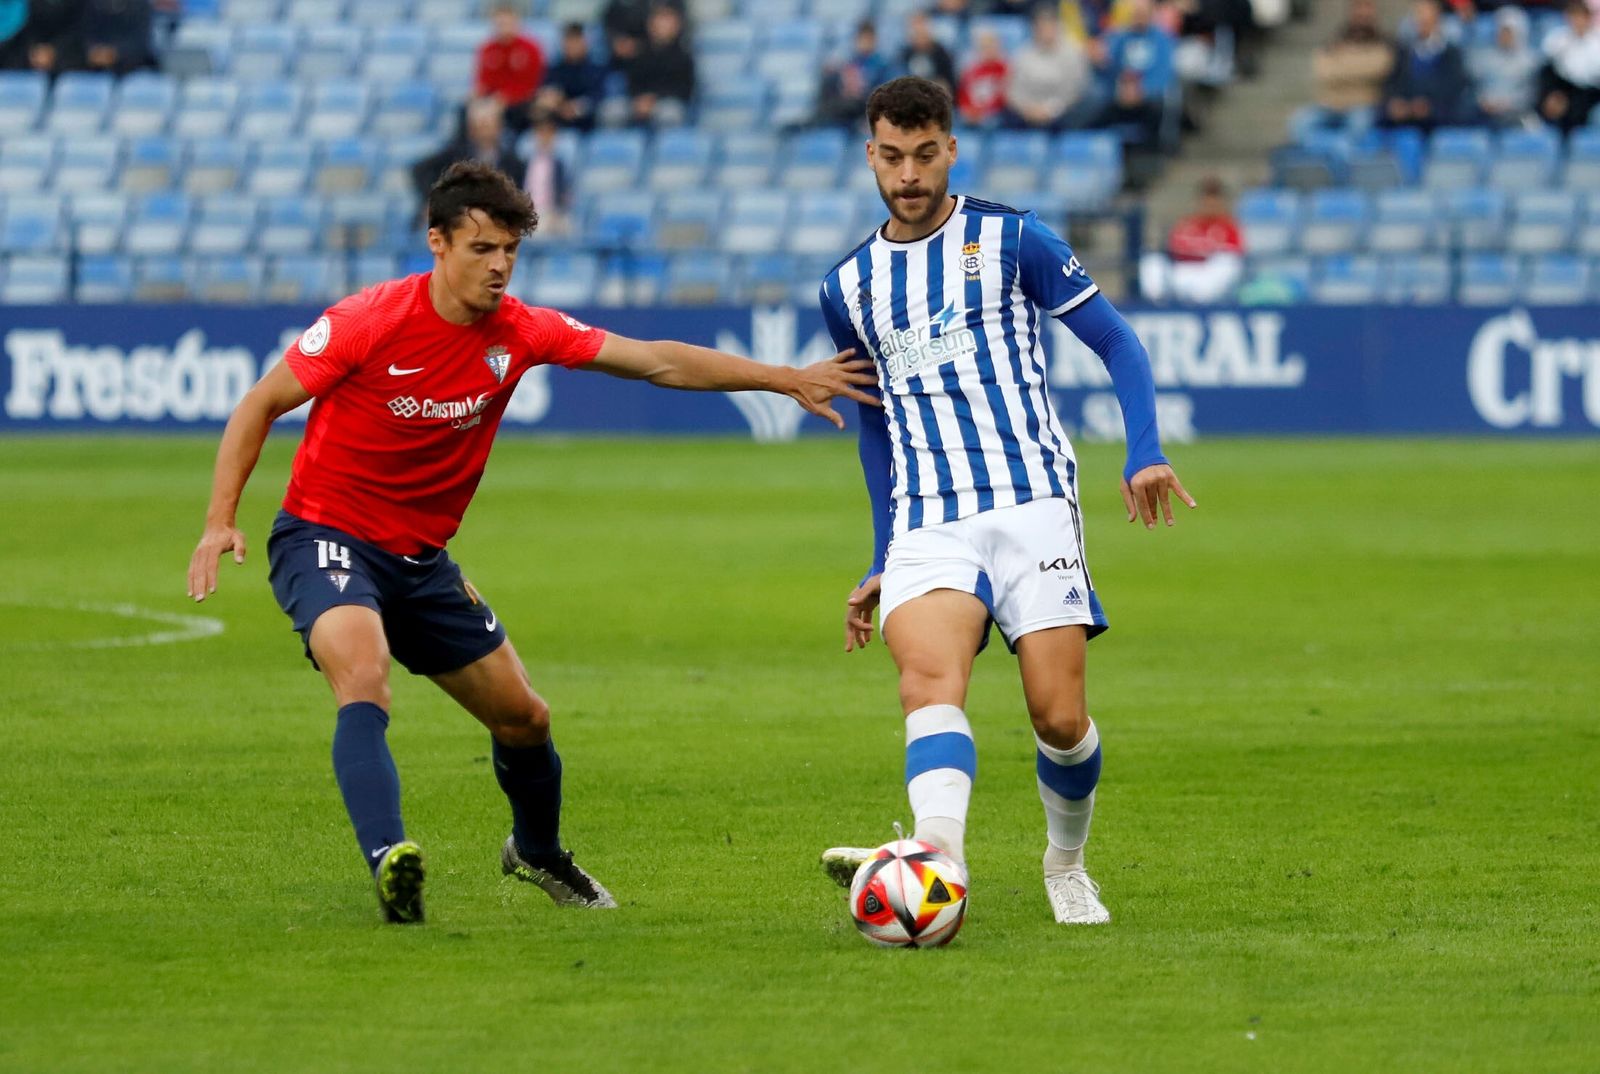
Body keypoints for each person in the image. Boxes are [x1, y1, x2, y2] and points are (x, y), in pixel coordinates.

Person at [186, 161, 877, 925]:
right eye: (483, 248)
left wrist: (782, 378)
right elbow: (259, 403)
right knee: (364, 672)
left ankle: (538, 853)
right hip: (328, 534)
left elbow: (655, 360)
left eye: (510, 250)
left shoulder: (521, 330)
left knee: (526, 720)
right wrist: (221, 519)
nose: (500, 265)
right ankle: (391, 861)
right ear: (437, 243)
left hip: (420, 560)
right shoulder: (368, 320)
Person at [814, 77, 1194, 926]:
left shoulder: (1013, 238)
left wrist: (1144, 452)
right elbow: (872, 427)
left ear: (950, 149)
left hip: (1032, 503)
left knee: (1059, 719)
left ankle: (1065, 863)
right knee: (928, 683)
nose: (908, 174)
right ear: (870, 156)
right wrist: (882, 551)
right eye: (891, 157)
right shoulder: (848, 287)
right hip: (929, 518)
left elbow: (1117, 341)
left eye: (924, 155)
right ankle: (936, 864)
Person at [1291, 0, 1394, 142]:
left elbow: (1380, 67)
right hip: (1329, 107)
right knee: (1299, 124)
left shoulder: (1385, 42)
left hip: (1361, 107)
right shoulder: (1335, 39)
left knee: (1360, 126)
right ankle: (1335, 146)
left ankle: (1337, 148)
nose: (1362, 14)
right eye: (1359, 9)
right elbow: (1323, 71)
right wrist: (1361, 65)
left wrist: (1342, 64)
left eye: (1367, 9)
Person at [1138, 175, 1245, 304]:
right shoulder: (1186, 224)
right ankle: (1156, 304)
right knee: (1152, 260)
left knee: (1226, 261)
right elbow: (1174, 250)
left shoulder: (1229, 227)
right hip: (1184, 270)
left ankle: (1203, 303)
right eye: (1206, 198)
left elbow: (1233, 257)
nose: (1210, 203)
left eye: (1214, 198)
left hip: (1209, 273)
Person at [410, 96, 526, 204]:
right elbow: (419, 170)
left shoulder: (513, 162)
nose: (483, 131)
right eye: (478, 125)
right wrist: (433, 200)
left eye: (487, 125)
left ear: (499, 126)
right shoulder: (455, 155)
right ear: (471, 128)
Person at [1003, 5, 1098, 131]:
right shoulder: (1022, 55)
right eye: (1042, 27)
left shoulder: (1072, 53)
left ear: (1057, 27)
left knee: (1091, 99)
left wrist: (1051, 109)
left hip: (1064, 113)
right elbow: (1013, 89)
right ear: (1035, 29)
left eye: (1050, 26)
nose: (1046, 31)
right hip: (1027, 113)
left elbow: (1075, 89)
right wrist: (1028, 109)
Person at [1380, 0, 1469, 131]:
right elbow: (1392, 81)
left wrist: (1429, 104)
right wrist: (1396, 101)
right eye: (1419, 16)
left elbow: (1455, 85)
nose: (1422, 21)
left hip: (1439, 117)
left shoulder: (1450, 53)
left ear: (1437, 19)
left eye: (1426, 17)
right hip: (1406, 116)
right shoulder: (1405, 52)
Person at [474, 3, 546, 134]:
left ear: (517, 23)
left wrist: (504, 98)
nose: (503, 28)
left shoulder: (530, 48)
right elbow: (484, 80)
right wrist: (478, 96)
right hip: (493, 99)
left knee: (519, 112)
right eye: (500, 24)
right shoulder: (487, 49)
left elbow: (531, 84)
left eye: (507, 23)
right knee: (467, 109)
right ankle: (466, 149)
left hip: (521, 101)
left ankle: (506, 149)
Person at [1470, 6, 1540, 127]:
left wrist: (1509, 104)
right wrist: (1483, 101)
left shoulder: (1530, 61)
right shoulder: (1483, 58)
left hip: (1517, 116)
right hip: (1484, 115)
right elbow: (1474, 86)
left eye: (1509, 32)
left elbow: (1532, 94)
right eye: (1502, 31)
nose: (1504, 36)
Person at [1538, 0, 1600, 133]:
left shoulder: (1598, 41)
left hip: (1591, 91)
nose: (1577, 21)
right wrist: (1553, 93)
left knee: (1577, 108)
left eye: (1581, 17)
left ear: (1588, 18)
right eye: (1574, 16)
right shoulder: (1557, 39)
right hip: (1563, 88)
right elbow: (1548, 70)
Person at [535, 21, 607, 131]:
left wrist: (578, 107)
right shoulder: (555, 69)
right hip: (557, 120)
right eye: (568, 40)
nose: (572, 45)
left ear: (585, 42)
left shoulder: (596, 68)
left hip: (588, 121)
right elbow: (547, 90)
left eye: (576, 40)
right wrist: (557, 102)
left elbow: (599, 95)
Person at [956, 28, 1010, 128]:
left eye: (991, 46)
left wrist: (983, 113)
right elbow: (963, 95)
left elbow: (1004, 98)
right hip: (972, 115)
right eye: (984, 47)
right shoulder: (971, 70)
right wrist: (969, 111)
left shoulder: (1004, 69)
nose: (988, 50)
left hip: (994, 116)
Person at [900, 11, 957, 95]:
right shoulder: (905, 54)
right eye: (917, 34)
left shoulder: (941, 54)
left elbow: (948, 82)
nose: (920, 37)